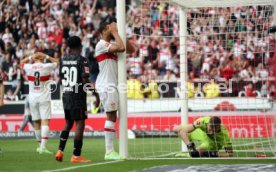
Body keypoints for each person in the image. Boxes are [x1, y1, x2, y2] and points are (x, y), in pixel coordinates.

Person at [95, 17, 135, 160]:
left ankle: (110, 151)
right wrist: (115, 33)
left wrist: (120, 33)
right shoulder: (101, 44)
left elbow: (131, 49)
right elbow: (122, 48)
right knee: (111, 115)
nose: (114, 29)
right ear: (105, 30)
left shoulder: (111, 43)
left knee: (113, 115)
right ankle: (109, 151)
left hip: (112, 84)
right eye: (110, 28)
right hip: (106, 84)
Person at [55, 36, 99, 163]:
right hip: (77, 96)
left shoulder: (63, 59)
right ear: (80, 46)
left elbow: (62, 79)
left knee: (68, 123)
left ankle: (60, 150)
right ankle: (76, 155)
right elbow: (85, 80)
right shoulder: (82, 60)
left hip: (66, 94)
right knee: (80, 123)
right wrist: (96, 94)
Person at [20, 52, 59, 154]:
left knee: (36, 121)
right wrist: (47, 56)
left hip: (32, 98)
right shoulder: (47, 66)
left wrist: (30, 57)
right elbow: (57, 62)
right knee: (45, 121)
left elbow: (20, 63)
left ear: (34, 58)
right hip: (44, 97)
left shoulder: (29, 67)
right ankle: (43, 147)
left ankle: (39, 146)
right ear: (42, 59)